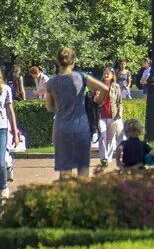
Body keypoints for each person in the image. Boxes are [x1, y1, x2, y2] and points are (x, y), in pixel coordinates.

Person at [44, 46, 109, 179]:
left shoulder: (51, 82)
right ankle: (82, 197)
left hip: (61, 127)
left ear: (57, 61)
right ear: (73, 61)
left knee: (65, 171)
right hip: (80, 127)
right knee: (83, 170)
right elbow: (104, 88)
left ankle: (66, 198)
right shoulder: (81, 77)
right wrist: (97, 102)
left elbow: (49, 107)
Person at [94, 67, 124, 168]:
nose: (106, 75)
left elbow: (120, 102)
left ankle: (108, 157)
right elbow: (95, 101)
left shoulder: (116, 87)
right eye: (105, 73)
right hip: (101, 115)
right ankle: (103, 158)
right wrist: (97, 97)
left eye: (108, 74)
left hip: (113, 115)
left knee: (110, 139)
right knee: (103, 135)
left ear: (112, 76)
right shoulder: (99, 85)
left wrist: (119, 114)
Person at [0, 75, 17, 197]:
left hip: (2, 128)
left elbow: (10, 111)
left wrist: (15, 132)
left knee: (0, 162)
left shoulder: (5, 89)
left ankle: (3, 186)